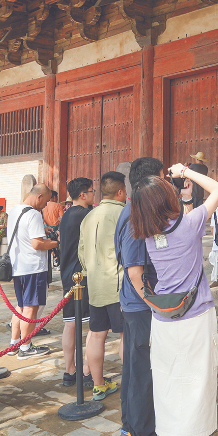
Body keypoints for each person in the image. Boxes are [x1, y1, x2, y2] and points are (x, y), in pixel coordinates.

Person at [129, 163, 218, 436]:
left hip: (162, 321)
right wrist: (187, 171)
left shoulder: (147, 235)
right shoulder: (189, 225)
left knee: (167, 395)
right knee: (193, 396)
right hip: (195, 320)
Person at [115, 157, 167, 436]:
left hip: (133, 304)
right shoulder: (136, 214)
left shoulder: (130, 210)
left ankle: (129, 427)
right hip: (140, 305)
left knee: (134, 371)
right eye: (162, 179)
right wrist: (153, 303)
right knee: (144, 375)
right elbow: (135, 270)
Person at [79, 171, 127, 401]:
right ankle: (130, 383)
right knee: (125, 336)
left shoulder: (89, 215)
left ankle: (98, 384)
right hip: (119, 286)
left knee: (96, 335)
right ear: (120, 191)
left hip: (95, 285)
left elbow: (81, 251)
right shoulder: (124, 213)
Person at [6, 184, 59, 359]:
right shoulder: (34, 214)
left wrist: (42, 230)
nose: (46, 205)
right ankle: (26, 347)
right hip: (33, 268)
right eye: (46, 201)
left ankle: (15, 344)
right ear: (39, 197)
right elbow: (38, 244)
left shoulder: (15, 210)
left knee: (21, 307)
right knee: (31, 308)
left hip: (18, 266)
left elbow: (24, 233)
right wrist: (57, 242)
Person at [58, 177, 94, 387]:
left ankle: (69, 369)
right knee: (91, 325)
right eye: (91, 191)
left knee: (70, 322)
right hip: (82, 275)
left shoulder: (68, 214)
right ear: (83, 194)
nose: (93, 194)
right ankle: (87, 370)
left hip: (67, 273)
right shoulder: (86, 215)